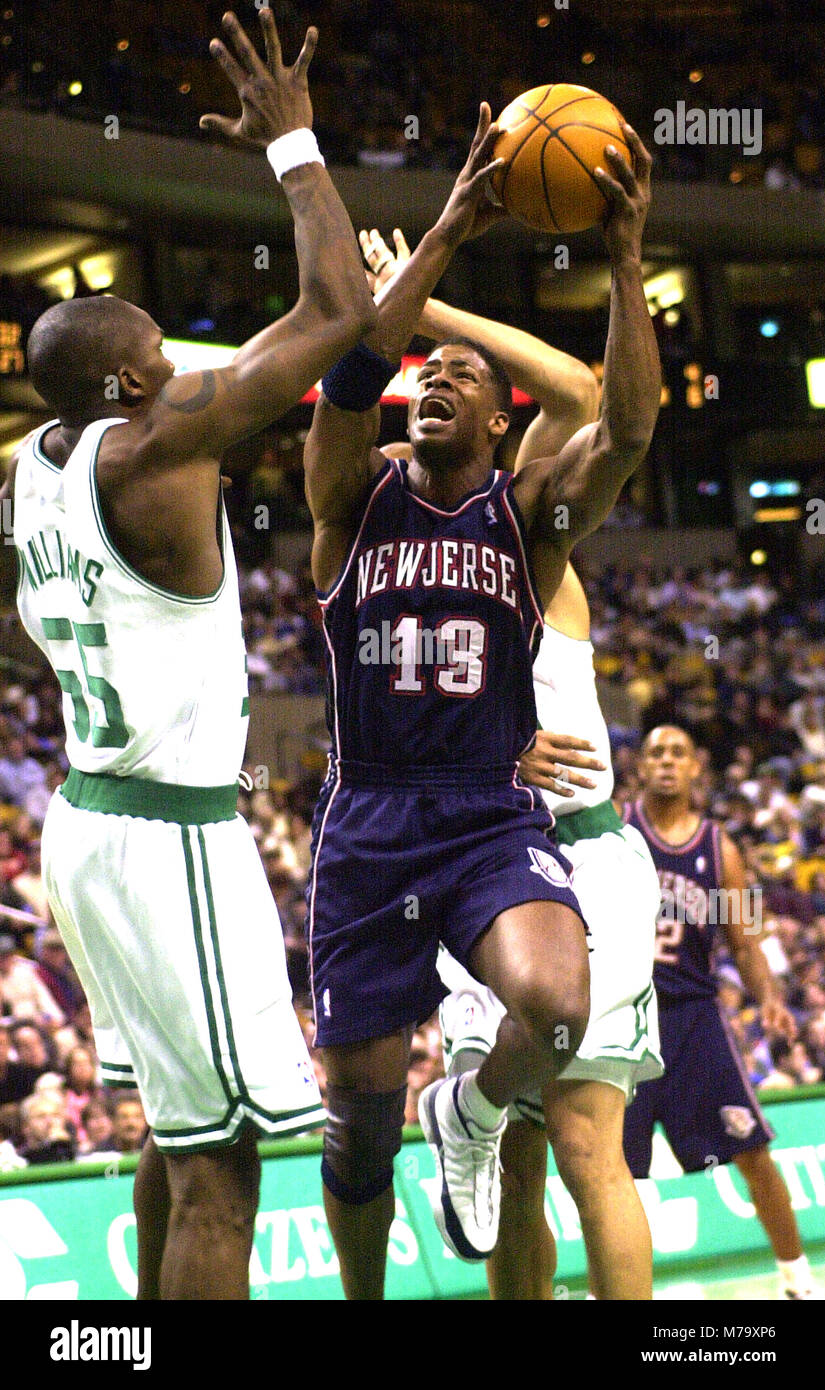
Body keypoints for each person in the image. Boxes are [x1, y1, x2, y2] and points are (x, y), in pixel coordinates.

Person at [0, 8, 377, 1300]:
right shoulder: (157, 448)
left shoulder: (29, 469)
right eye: (159, 361)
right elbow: (336, 306)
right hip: (168, 835)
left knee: (174, 1121)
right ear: (123, 394)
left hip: (84, 818)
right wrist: (292, 144)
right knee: (225, 1167)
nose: (178, 369)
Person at [302, 113, 660, 1298]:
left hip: (484, 820)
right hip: (366, 824)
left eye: (460, 376)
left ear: (500, 427)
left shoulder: (529, 519)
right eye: (426, 373)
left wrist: (624, 255)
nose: (434, 378)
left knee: (556, 1006)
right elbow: (353, 370)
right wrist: (450, 225)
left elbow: (631, 424)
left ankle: (471, 1102)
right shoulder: (349, 503)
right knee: (356, 1135)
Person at [623, 725, 815, 1300]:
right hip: (625, 1017)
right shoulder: (618, 830)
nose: (665, 761)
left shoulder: (720, 848)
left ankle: (797, 1279)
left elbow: (746, 938)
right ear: (640, 767)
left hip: (694, 1019)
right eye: (656, 752)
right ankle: (617, 1289)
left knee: (752, 1148)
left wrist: (771, 998)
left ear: (695, 769)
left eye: (677, 753)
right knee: (612, 1171)